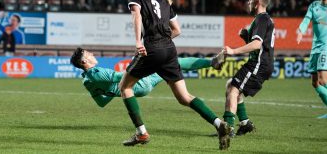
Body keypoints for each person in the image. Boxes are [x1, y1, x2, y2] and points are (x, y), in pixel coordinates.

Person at [119, 0, 231, 149]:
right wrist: (162, 42)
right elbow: (177, 30)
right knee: (184, 97)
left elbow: (136, 16)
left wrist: (140, 42)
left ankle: (142, 133)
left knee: (125, 87)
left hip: (152, 49)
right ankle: (220, 124)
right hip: (169, 49)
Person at [215, 0, 275, 144]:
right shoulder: (262, 19)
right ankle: (245, 124)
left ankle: (228, 129)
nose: (248, 2)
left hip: (259, 65)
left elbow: (257, 44)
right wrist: (246, 36)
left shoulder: (262, 19)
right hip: (260, 63)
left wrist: (233, 51)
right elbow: (258, 43)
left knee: (233, 90)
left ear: (257, 2)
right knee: (232, 86)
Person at [70, 48, 219, 109]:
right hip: (139, 84)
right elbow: (117, 77)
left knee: (174, 64)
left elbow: (101, 102)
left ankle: (212, 62)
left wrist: (114, 91)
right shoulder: (96, 72)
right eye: (88, 53)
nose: (92, 54)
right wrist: (139, 67)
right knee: (175, 62)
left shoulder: (86, 81)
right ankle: (212, 62)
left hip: (138, 89)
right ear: (83, 62)